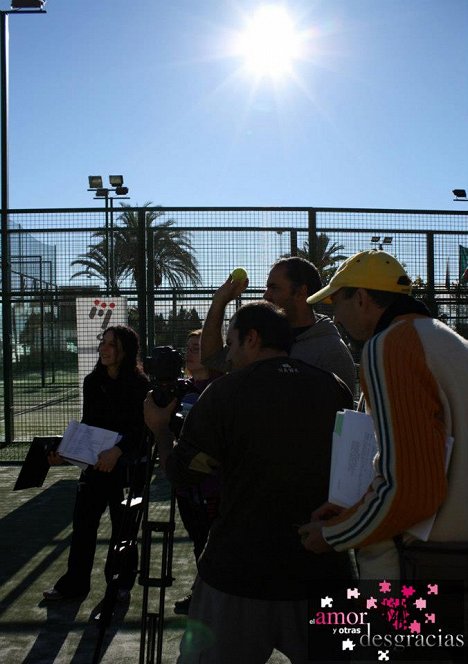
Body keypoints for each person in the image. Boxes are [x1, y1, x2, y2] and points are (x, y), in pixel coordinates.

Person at [144, 300, 353, 663]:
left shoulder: (225, 393)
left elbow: (179, 473)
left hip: (239, 571)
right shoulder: (333, 387)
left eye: (232, 342)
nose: (228, 355)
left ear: (252, 339)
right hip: (321, 567)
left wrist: (161, 430)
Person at [298, 250, 468, 583]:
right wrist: (357, 506)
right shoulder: (447, 339)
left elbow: (412, 490)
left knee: (390, 638)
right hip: (450, 561)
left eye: (337, 304)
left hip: (418, 569)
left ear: (361, 298)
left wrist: (335, 534)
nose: (336, 319)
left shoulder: (389, 346)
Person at [43, 325, 150, 602]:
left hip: (126, 468)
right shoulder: (93, 382)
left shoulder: (140, 386)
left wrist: (117, 450)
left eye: (111, 344)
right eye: (103, 342)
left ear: (125, 350)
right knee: (83, 525)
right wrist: (66, 452)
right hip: (95, 468)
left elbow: (143, 430)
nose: (104, 348)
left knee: (124, 528)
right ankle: (74, 585)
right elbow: (90, 425)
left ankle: (121, 583)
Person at [200, 256, 356, 394]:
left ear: (301, 292)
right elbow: (212, 358)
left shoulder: (331, 352)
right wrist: (219, 302)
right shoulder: (259, 336)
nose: (266, 295)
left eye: (274, 288)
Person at [173, 329, 221, 615]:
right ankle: (201, 590)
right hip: (186, 484)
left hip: (213, 484)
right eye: (189, 346)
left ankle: (209, 595)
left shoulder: (221, 387)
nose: (191, 351)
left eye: (198, 347)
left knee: (211, 541)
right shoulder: (180, 389)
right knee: (197, 539)